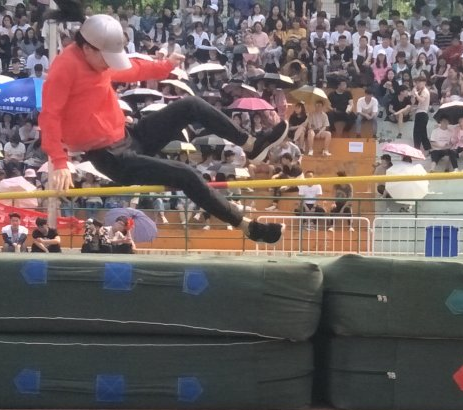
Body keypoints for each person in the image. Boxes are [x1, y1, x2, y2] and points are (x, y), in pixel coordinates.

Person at [39, 1, 286, 245]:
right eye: (106, 60)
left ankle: (251, 144)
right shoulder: (65, 69)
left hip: (130, 136)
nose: (108, 65)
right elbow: (50, 116)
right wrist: (59, 161)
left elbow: (130, 68)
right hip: (111, 157)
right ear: (87, 49)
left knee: (191, 105)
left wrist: (164, 67)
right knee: (186, 174)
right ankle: (248, 227)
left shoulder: (98, 57)